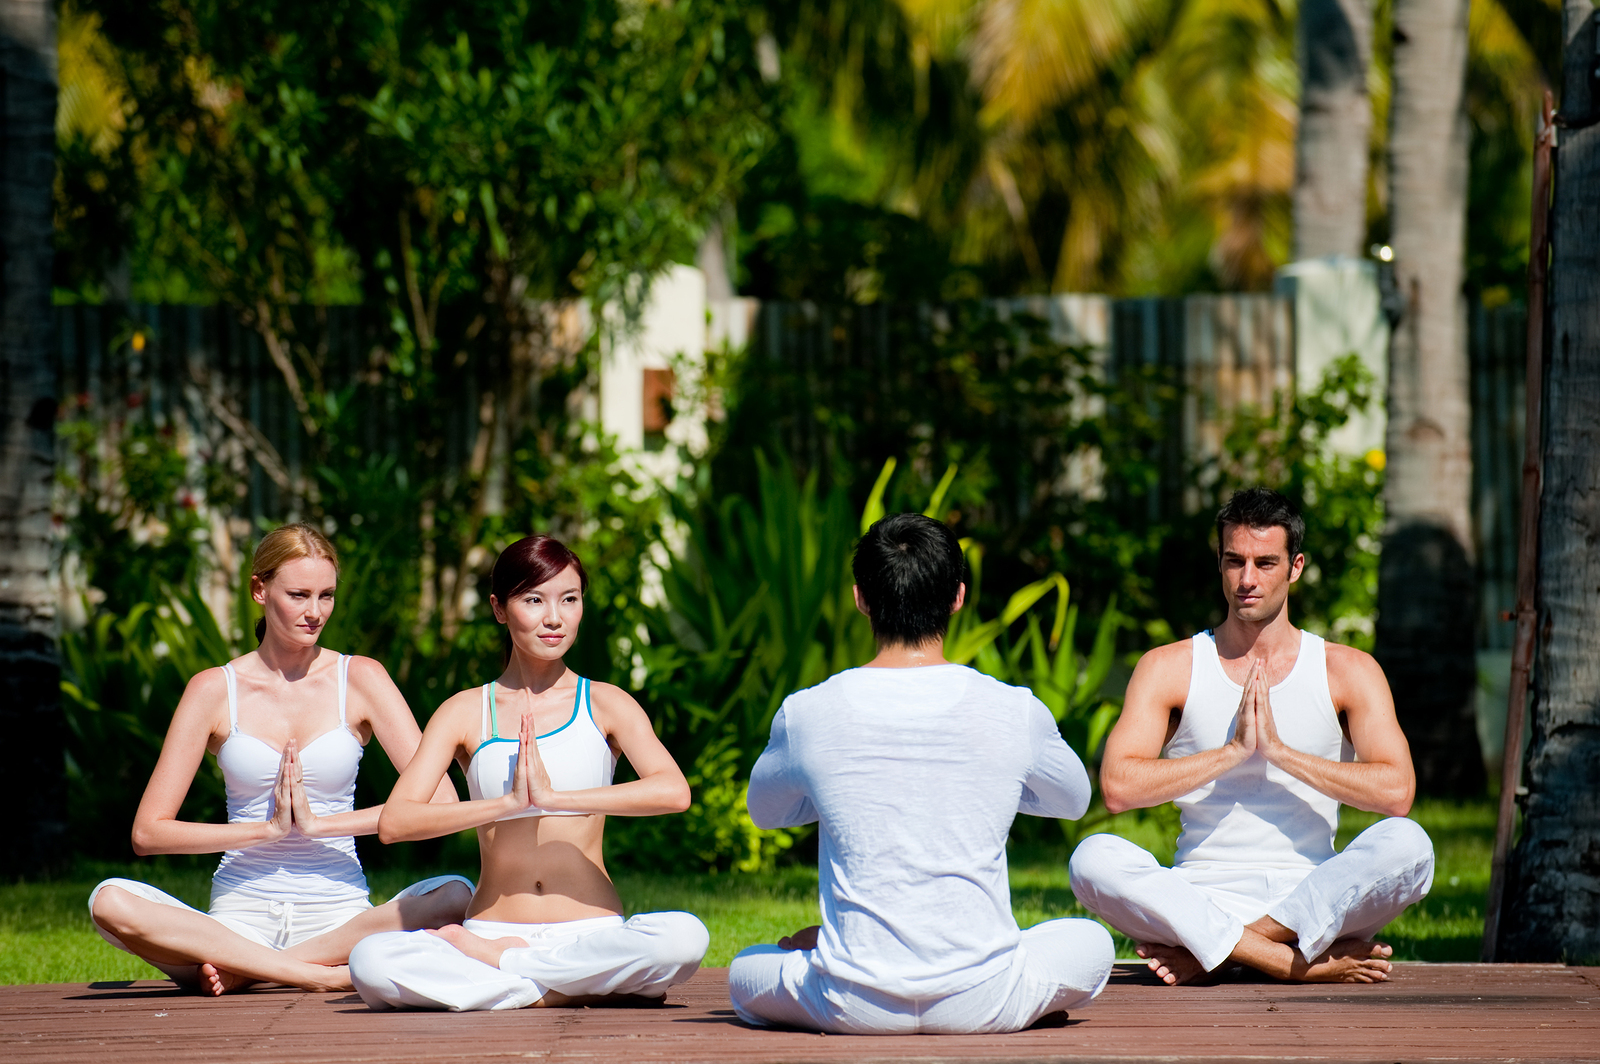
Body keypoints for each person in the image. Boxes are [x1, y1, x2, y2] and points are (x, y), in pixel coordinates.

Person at [727, 513, 1115, 1036]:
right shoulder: (1012, 708)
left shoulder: (808, 712)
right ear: (957, 597)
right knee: (1092, 943)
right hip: (983, 999)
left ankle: (833, 944)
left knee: (744, 968)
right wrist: (988, 783)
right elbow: (1072, 799)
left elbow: (765, 812)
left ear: (861, 598)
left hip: (850, 1003)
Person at [1069, 487, 1435, 985]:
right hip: (1199, 894)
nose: (1247, 579)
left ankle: (1225, 950)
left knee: (1410, 845)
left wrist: (1281, 753)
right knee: (1092, 859)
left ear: (1296, 566)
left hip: (1312, 894)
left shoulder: (1347, 670)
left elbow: (1397, 793)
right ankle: (1289, 964)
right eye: (1233, 562)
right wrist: (1233, 752)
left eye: (1265, 563)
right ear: (1218, 565)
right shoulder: (1169, 667)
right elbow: (1117, 787)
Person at [89, 524, 474, 995]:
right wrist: (265, 830)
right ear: (259, 589)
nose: (315, 613)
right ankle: (316, 976)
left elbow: (440, 804)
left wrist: (320, 825)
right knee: (107, 901)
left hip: (339, 919)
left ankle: (250, 971)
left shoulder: (361, 678)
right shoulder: (214, 689)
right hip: (236, 920)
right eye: (299, 595)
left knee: (456, 893)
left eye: (326, 595)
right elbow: (148, 832)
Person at [347, 534, 708, 1011]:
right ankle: (579, 986)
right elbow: (397, 823)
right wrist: (505, 805)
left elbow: (673, 791)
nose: (554, 617)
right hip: (492, 929)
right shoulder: (464, 711)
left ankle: (515, 978)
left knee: (684, 938)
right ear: (500, 609)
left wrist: (557, 798)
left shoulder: (605, 703)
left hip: (589, 931)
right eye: (533, 599)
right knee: (371, 960)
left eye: (569, 600)